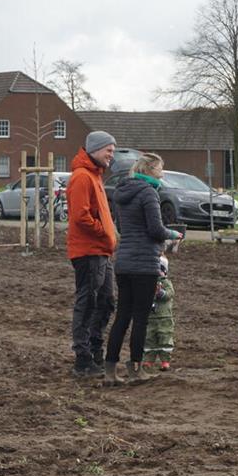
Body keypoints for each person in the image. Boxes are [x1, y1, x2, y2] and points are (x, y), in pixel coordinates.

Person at [104, 152, 182, 386]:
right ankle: (136, 368)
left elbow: (125, 226)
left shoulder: (121, 192)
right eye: (160, 169)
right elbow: (156, 230)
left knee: (121, 317)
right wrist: (174, 235)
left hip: (124, 262)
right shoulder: (149, 193)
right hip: (145, 264)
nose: (163, 173)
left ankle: (110, 370)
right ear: (149, 171)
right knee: (140, 319)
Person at [65, 131, 119, 379]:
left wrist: (109, 235)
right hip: (88, 251)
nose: (112, 154)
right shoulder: (82, 177)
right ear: (95, 150)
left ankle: (95, 348)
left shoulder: (95, 176)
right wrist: (103, 232)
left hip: (102, 251)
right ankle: (83, 357)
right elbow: (81, 216)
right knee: (88, 302)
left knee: (106, 300)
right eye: (108, 150)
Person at [143, 255, 176, 372]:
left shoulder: (166, 283)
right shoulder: (146, 282)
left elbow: (170, 294)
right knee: (148, 339)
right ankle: (148, 360)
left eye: (160, 270)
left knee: (165, 338)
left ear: (164, 271)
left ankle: (165, 361)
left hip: (164, 317)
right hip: (150, 318)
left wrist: (160, 293)